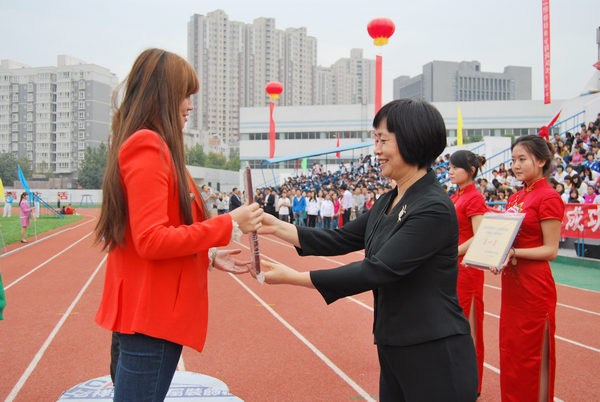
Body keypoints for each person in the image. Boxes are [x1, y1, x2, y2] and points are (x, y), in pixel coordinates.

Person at [259, 99, 478, 401]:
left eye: (383, 140)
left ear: (412, 140)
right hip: (393, 343)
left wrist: (293, 277)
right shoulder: (389, 200)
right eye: (376, 140)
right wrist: (274, 226)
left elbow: (377, 270)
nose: (376, 150)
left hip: (433, 350)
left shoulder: (433, 207)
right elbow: (340, 238)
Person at [93, 49, 263, 402]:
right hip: (149, 317)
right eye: (185, 95)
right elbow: (150, 239)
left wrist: (208, 254)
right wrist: (230, 223)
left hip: (147, 313)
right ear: (163, 96)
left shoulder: (155, 146)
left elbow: (157, 228)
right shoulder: (148, 145)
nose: (190, 105)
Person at [497, 135, 565, 402]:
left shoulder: (549, 197)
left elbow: (551, 250)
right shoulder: (515, 197)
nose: (515, 165)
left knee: (532, 353)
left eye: (522, 159)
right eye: (513, 159)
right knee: (511, 350)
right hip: (512, 285)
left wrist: (514, 253)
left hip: (534, 287)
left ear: (541, 160)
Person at [449, 150, 489, 396]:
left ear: (471, 171)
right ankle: (456, 380)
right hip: (451, 268)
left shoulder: (474, 198)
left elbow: (479, 235)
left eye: (456, 167)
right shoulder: (455, 197)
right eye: (450, 167)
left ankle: (472, 385)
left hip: (467, 270)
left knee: (469, 328)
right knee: (453, 327)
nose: (450, 171)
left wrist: (453, 252)